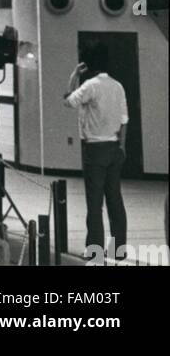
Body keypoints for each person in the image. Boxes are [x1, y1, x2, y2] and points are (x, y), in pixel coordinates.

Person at [64, 43, 129, 260]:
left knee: (94, 203)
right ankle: (119, 248)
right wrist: (122, 146)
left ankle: (95, 250)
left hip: (94, 149)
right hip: (114, 147)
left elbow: (68, 101)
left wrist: (74, 75)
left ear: (88, 65)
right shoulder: (118, 86)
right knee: (115, 200)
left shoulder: (90, 86)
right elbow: (124, 120)